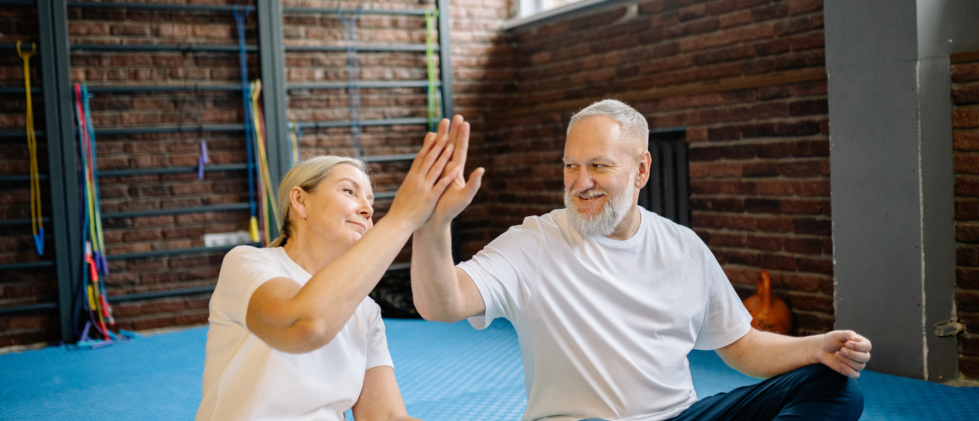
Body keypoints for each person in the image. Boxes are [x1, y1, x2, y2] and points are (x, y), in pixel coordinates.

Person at [410, 100, 870, 421]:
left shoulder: (683, 246)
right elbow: (442, 304)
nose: (580, 181)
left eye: (599, 165)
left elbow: (742, 347)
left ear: (642, 170)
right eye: (571, 166)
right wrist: (433, 225)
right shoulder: (534, 243)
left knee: (834, 386)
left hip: (681, 416)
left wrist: (814, 347)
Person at [196, 118, 468, 421]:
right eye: (349, 192)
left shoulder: (366, 311)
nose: (367, 208)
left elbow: (387, 417)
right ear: (300, 201)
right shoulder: (248, 264)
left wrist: (434, 222)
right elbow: (303, 324)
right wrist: (402, 218)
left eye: (371, 202)